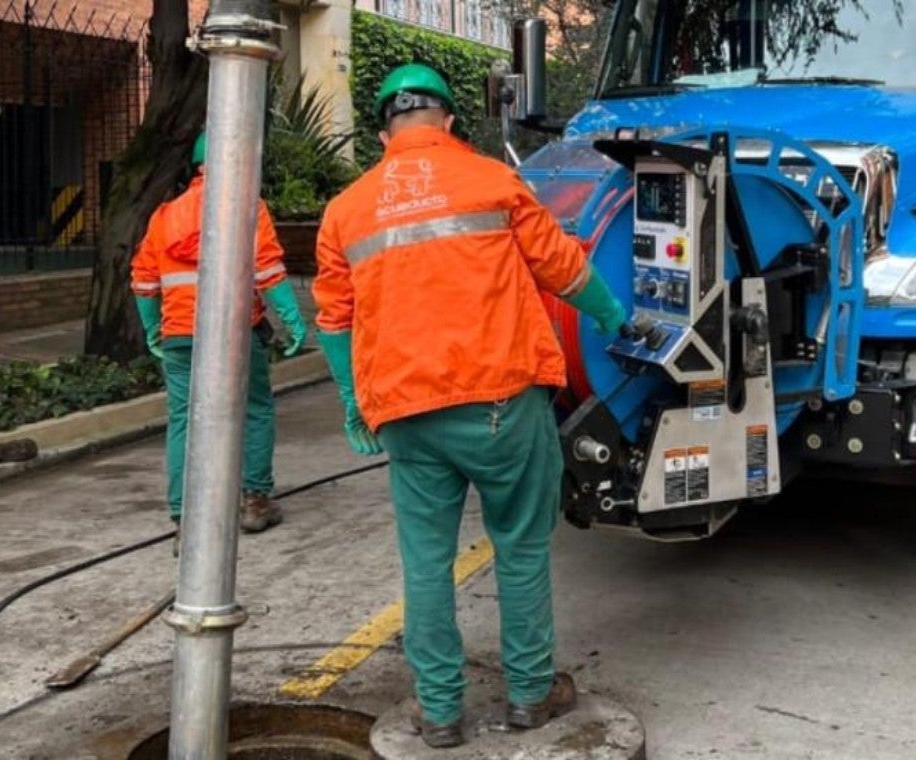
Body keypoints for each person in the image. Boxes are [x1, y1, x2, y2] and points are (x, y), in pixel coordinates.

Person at [312, 63, 626, 749]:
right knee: (518, 548)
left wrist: (352, 403)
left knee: (425, 563)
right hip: (502, 404)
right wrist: (611, 316)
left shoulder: (347, 210)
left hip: (407, 414)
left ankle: (440, 710)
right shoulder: (492, 180)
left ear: (382, 131)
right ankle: (529, 695)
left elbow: (333, 320)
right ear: (450, 121)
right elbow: (562, 265)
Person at [131, 131, 307, 552]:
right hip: (235, 333)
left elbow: (143, 282)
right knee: (255, 410)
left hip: (179, 336)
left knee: (184, 420)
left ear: (197, 165)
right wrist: (295, 322)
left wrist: (155, 329)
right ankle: (254, 502)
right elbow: (268, 272)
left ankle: (184, 519)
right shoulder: (247, 207)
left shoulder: (164, 215)